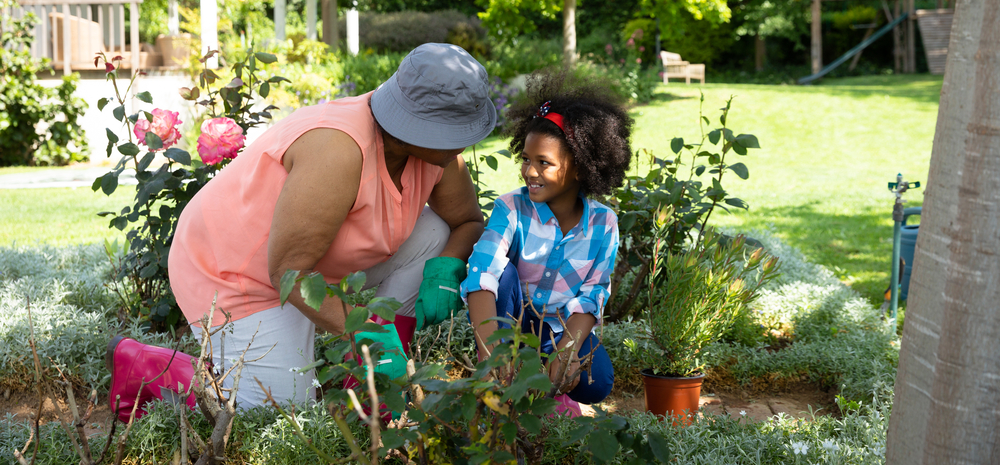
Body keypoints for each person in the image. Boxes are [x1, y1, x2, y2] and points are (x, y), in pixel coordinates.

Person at [109, 43, 497, 410]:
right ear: (416, 126)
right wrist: (368, 333)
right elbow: (290, 273)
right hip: (237, 272)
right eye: (454, 131)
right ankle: (147, 368)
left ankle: (369, 383)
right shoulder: (338, 150)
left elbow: (465, 221)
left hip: (313, 262)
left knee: (433, 235)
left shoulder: (437, 156)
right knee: (280, 413)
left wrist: (446, 265)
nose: (464, 143)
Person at [460, 71, 633, 412]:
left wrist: (568, 352)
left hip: (556, 330)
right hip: (507, 323)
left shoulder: (603, 224)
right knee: (503, 273)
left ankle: (548, 392)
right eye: (526, 159)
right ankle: (499, 377)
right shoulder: (511, 208)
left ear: (581, 169)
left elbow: (593, 294)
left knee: (598, 381)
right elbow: (482, 273)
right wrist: (490, 352)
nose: (529, 171)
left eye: (544, 163)